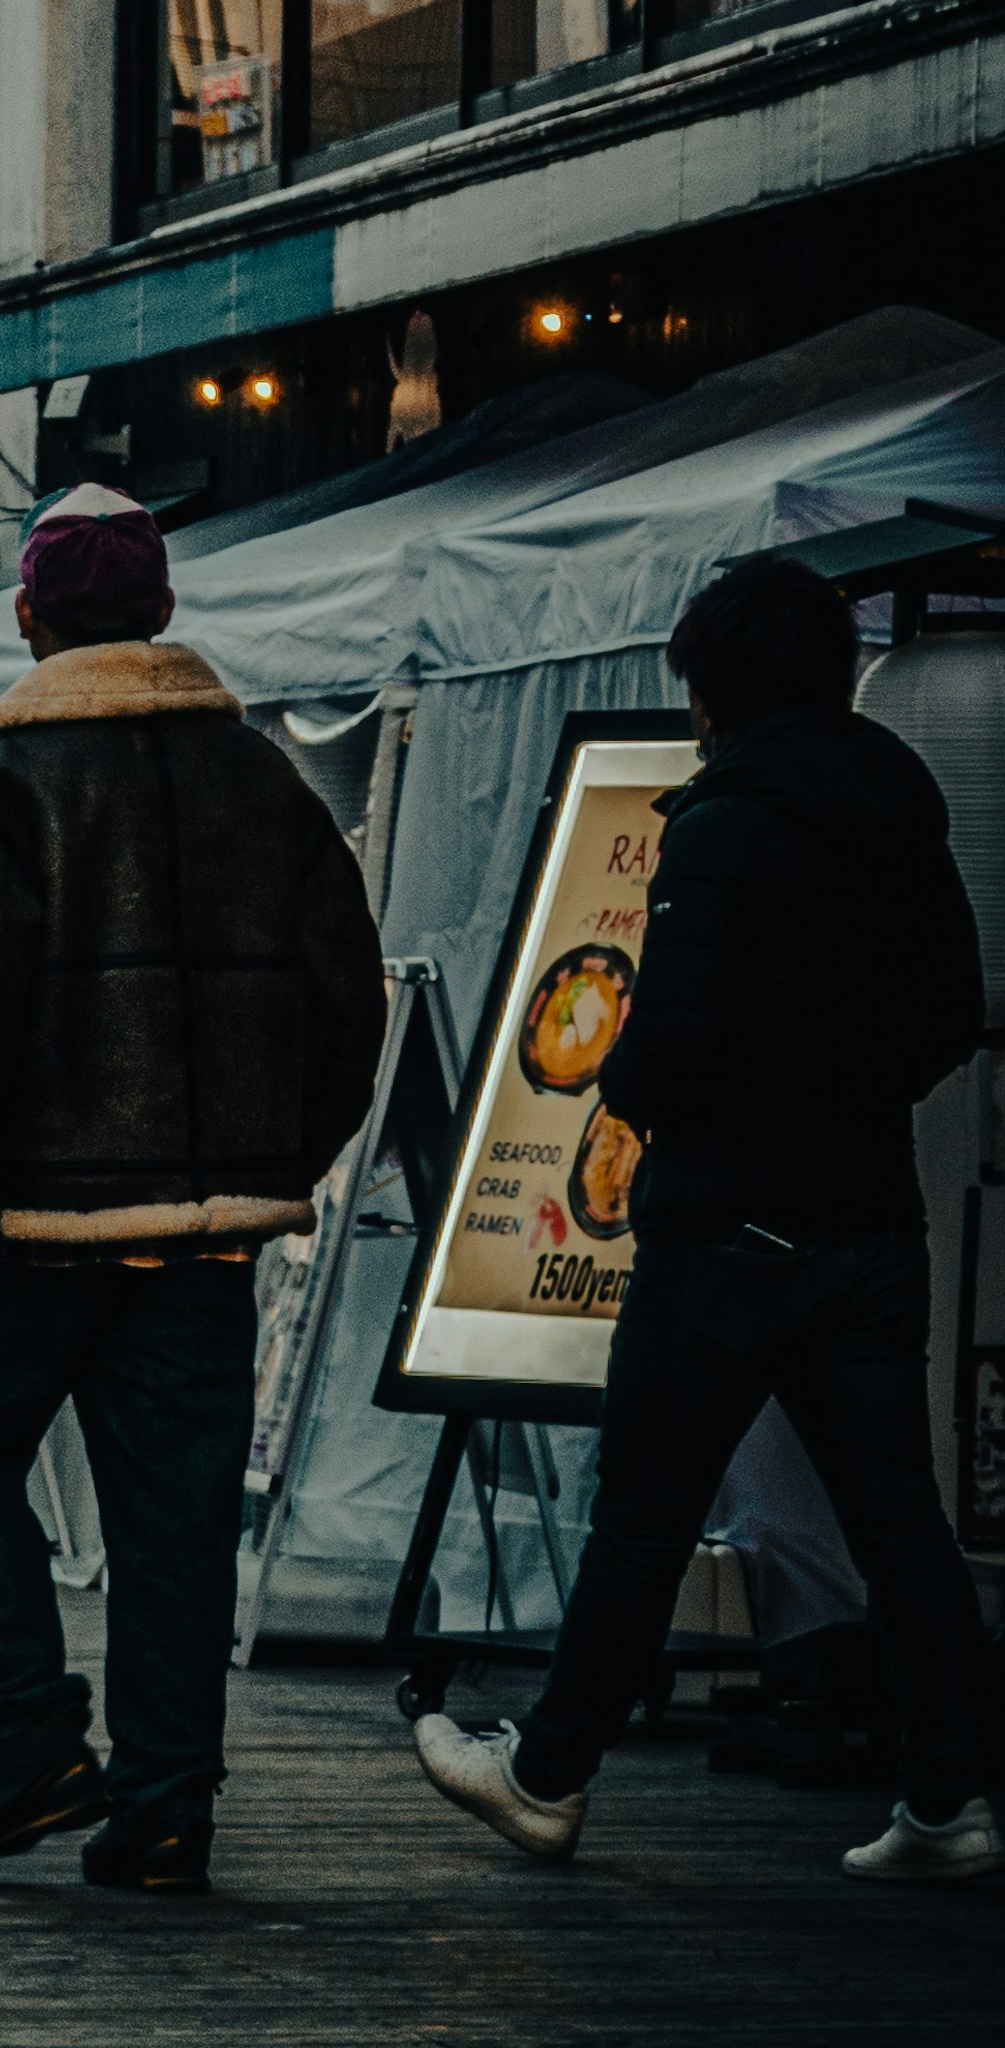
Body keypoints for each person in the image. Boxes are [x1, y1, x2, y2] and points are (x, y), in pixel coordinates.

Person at [417, 549, 996, 1881]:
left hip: (724, 1232)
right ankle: (952, 1804)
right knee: (898, 1518)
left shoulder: (721, 821)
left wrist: (653, 1091)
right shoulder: (903, 807)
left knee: (645, 1510)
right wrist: (848, 1095)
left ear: (713, 688)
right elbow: (951, 1010)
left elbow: (663, 1046)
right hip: (867, 1221)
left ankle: (547, 1776)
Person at [0, 486, 385, 1899]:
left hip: (29, 1226)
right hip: (202, 1239)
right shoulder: (262, 778)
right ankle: (166, 1806)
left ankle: (29, 1734)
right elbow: (350, 1004)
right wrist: (269, 1164)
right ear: (164, 612)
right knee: (174, 1521)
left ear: (29, 617)